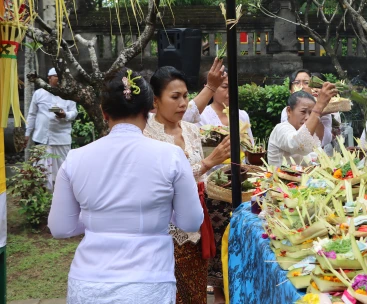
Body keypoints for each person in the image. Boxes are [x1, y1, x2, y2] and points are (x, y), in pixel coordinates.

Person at [48, 68, 204, 304]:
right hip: (149, 283)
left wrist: (98, 217)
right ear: (149, 110)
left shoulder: (75, 159)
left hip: (89, 283)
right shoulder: (171, 156)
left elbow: (60, 227)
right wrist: (159, 214)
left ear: (103, 112)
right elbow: (190, 221)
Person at [145, 66, 231, 304]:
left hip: (197, 226)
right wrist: (206, 164)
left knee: (195, 292)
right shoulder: (146, 135)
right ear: (155, 101)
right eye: (175, 97)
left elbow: (201, 177)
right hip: (164, 231)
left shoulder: (192, 130)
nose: (183, 103)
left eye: (184, 96)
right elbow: (161, 182)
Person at [25, 68, 77, 190]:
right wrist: (27, 133)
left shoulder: (68, 94)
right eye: (56, 76)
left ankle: (62, 197)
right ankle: (44, 199)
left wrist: (65, 115)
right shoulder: (39, 93)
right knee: (41, 173)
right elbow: (32, 114)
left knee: (63, 171)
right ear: (49, 78)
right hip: (42, 138)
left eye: (61, 77)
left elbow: (74, 112)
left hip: (61, 138)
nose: (59, 79)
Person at [268, 84, 338, 167]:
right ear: (289, 111)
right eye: (303, 112)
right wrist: (318, 107)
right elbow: (298, 144)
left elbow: (317, 158)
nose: (308, 117)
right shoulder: (280, 129)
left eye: (311, 113)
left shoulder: (308, 133)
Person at [185, 69, 254, 144]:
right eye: (224, 87)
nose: (231, 91)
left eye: (233, 86)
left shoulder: (242, 115)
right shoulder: (200, 116)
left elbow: (251, 147)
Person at [280, 69, 333, 150]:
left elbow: (324, 140)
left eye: (306, 83)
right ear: (291, 90)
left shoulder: (324, 109)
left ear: (312, 87)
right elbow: (292, 140)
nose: (302, 86)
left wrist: (318, 113)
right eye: (297, 83)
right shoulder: (287, 111)